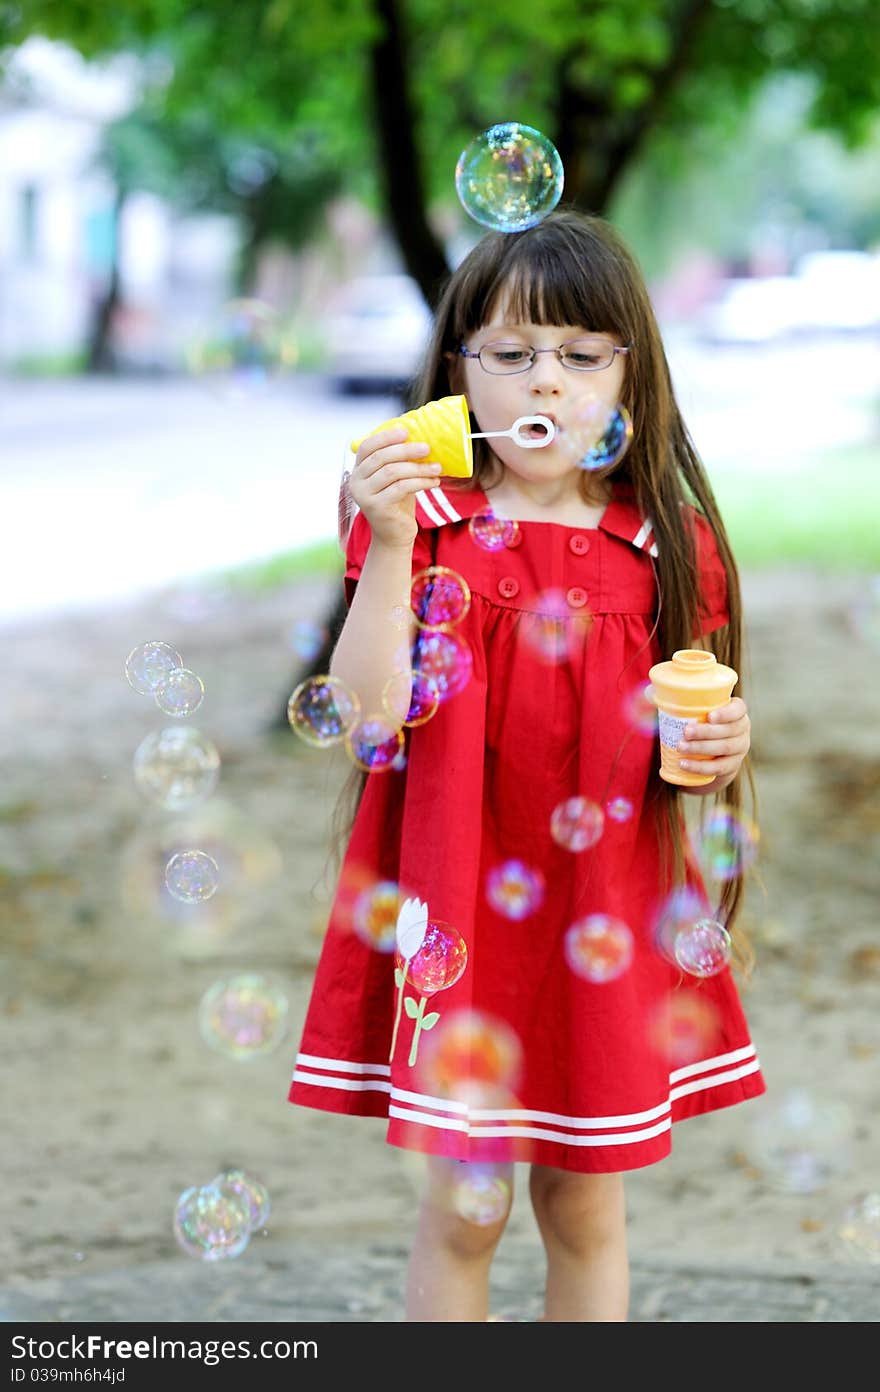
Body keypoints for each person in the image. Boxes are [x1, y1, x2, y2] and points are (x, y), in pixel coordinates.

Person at [288, 208, 765, 1322]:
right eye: (508, 355)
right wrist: (393, 544)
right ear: (457, 373)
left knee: (583, 1208)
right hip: (456, 903)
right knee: (465, 1210)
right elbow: (363, 715)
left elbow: (690, 742)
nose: (542, 384)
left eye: (578, 356)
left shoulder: (666, 544)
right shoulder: (427, 527)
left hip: (601, 906)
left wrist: (716, 748)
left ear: (626, 377)